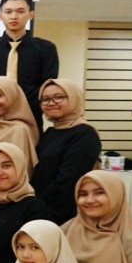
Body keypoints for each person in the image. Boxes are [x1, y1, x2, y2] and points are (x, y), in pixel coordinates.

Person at [0, 0, 59, 130]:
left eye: (20, 11)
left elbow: (47, 83)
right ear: (0, 16)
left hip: (30, 114)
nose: (14, 16)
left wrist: (20, 105)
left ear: (31, 14)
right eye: (8, 12)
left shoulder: (46, 48)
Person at [33, 79, 102, 223]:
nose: (51, 103)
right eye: (45, 99)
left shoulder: (84, 134)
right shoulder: (50, 132)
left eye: (59, 97)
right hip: (41, 208)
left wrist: (39, 210)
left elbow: (69, 181)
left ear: (73, 98)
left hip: (63, 213)